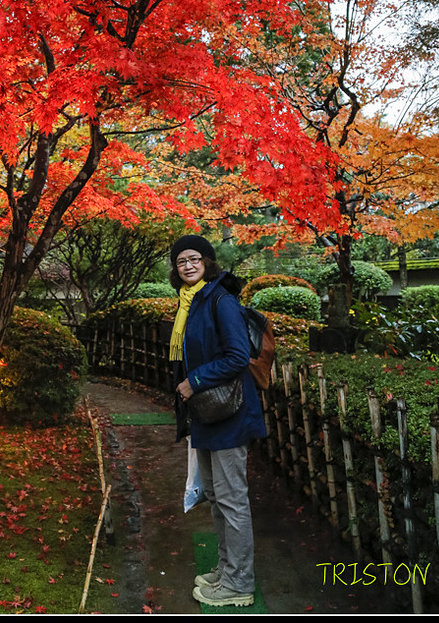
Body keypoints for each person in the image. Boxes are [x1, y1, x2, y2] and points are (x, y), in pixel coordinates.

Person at [168, 234, 266, 608]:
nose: (188, 265)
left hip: (230, 413)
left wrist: (194, 381)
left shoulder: (221, 300)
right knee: (215, 498)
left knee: (232, 499)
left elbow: (238, 356)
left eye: (194, 259)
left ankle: (239, 583)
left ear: (207, 262)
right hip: (208, 414)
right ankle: (227, 569)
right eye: (181, 261)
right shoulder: (189, 303)